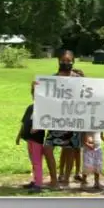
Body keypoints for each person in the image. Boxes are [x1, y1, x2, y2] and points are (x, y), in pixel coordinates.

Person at [31, 49, 83, 189]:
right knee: (48, 148)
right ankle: (54, 180)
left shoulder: (79, 79)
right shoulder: (51, 80)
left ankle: (66, 179)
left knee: (70, 150)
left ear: (73, 61)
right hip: (55, 121)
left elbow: (88, 98)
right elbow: (40, 99)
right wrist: (34, 88)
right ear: (58, 61)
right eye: (63, 60)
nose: (66, 63)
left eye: (68, 60)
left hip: (72, 120)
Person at [15, 89, 46, 194]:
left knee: (37, 162)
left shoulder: (44, 109)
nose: (34, 96)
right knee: (33, 161)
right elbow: (23, 123)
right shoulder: (30, 108)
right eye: (33, 94)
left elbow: (47, 122)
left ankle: (39, 184)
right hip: (28, 138)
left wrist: (38, 127)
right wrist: (19, 136)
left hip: (37, 139)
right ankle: (35, 180)